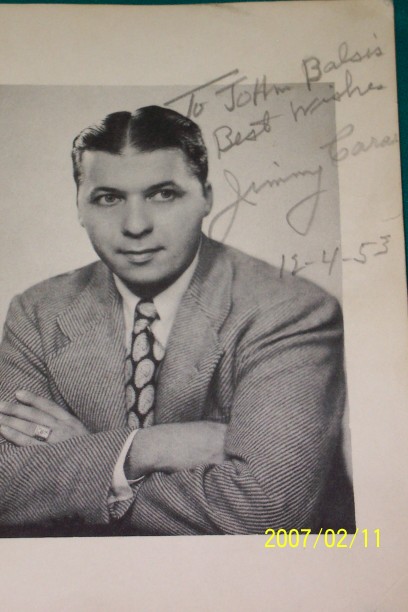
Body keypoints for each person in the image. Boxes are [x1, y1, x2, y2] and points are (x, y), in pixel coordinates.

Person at [0, 105, 354, 536]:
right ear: (79, 207)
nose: (135, 225)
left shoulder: (291, 310)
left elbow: (265, 510)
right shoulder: (38, 311)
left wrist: (86, 460)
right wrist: (148, 449)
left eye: (163, 194)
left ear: (206, 198)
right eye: (108, 198)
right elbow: (4, 483)